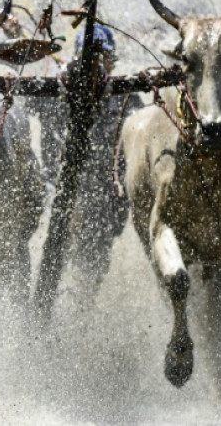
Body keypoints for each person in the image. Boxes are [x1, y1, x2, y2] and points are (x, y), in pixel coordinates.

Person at [31, 24, 142, 294]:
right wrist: (26, 44)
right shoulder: (58, 89)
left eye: (103, 57)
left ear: (112, 62)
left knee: (91, 269)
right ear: (76, 59)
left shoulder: (127, 98)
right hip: (57, 191)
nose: (97, 65)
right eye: (89, 59)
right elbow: (28, 100)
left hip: (106, 200)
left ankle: (81, 300)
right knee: (52, 254)